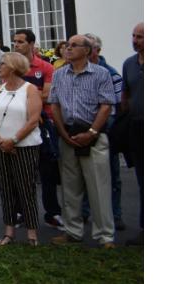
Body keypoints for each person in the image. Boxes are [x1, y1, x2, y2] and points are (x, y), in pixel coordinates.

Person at [47, 35, 116, 248]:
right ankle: (73, 232)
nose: (68, 48)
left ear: (87, 50)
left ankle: (105, 236)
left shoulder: (101, 73)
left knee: (99, 188)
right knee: (70, 188)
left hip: (93, 136)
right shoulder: (59, 74)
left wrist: (92, 132)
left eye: (73, 46)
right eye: (67, 45)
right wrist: (62, 132)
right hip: (68, 135)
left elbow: (106, 105)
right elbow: (54, 104)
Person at [0, 52, 42, 246]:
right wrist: (0, 141)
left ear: (14, 67)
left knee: (26, 189)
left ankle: (32, 233)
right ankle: (8, 231)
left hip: (24, 147)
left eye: (3, 64)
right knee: (6, 189)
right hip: (0, 146)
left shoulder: (30, 89)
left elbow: (33, 120)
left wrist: (14, 140)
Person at [13, 28, 62, 228]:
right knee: (22, 173)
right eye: (15, 41)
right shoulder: (13, 68)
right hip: (18, 123)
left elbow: (47, 95)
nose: (16, 45)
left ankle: (52, 213)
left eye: (20, 42)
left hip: (43, 124)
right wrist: (32, 96)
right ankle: (22, 212)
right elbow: (6, 92)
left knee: (47, 171)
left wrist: (20, 97)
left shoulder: (45, 67)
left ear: (32, 44)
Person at [85, 32, 125, 231]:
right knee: (84, 175)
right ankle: (85, 212)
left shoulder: (111, 74)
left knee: (111, 176)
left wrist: (98, 127)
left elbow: (116, 106)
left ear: (97, 51)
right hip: (82, 129)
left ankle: (115, 215)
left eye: (88, 47)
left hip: (106, 130)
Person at [121, 22, 143, 236]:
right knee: (143, 178)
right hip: (137, 125)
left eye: (140, 37)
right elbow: (125, 96)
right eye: (134, 36)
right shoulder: (129, 64)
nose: (135, 41)